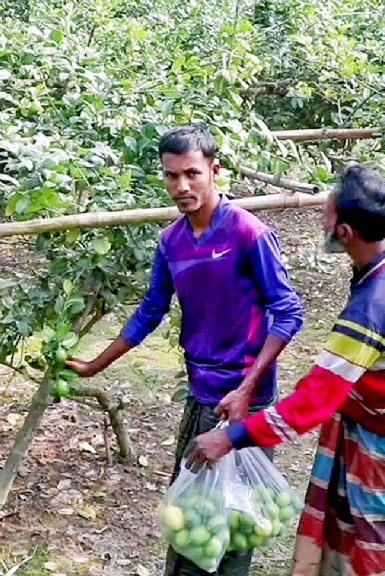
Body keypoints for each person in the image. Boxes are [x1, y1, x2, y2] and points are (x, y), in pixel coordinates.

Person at [185, 163, 385, 576]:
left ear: (344, 232)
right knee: (353, 521)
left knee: (379, 541)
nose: (320, 216)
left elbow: (311, 403)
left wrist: (230, 438)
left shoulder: (371, 312)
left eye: (327, 210)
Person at [66, 124, 305, 576]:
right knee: (193, 518)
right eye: (172, 176)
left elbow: (289, 312)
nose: (182, 186)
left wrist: (246, 389)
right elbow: (150, 309)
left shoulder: (247, 233)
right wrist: (96, 365)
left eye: (192, 174)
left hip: (243, 405)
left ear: (214, 171)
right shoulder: (171, 241)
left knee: (234, 525)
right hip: (201, 397)